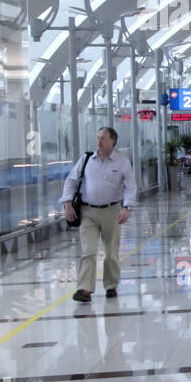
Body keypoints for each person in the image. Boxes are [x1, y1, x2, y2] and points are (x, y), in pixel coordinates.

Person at [60, 126, 136, 303]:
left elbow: (131, 186)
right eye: (98, 138)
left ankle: (111, 285)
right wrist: (68, 203)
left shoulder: (122, 162)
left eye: (103, 138)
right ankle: (84, 289)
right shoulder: (87, 159)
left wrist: (127, 207)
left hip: (112, 211)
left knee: (111, 251)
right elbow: (71, 180)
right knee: (88, 250)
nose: (99, 141)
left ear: (112, 141)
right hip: (88, 212)